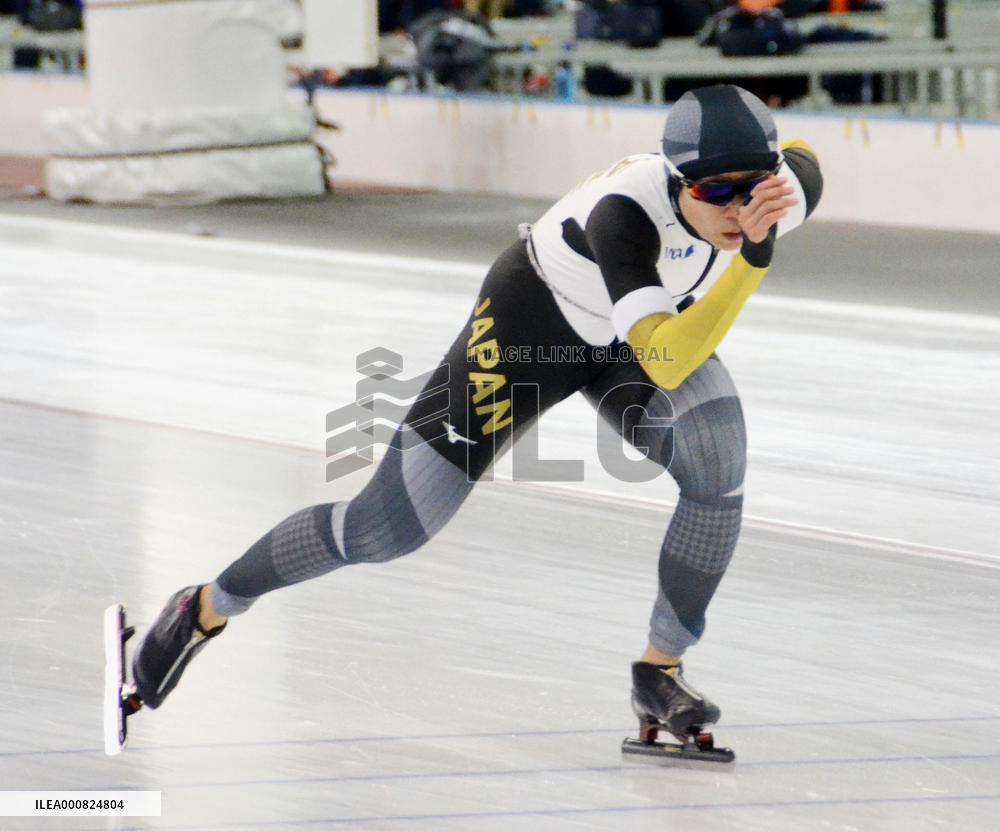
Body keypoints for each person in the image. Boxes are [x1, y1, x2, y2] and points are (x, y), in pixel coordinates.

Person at [129, 84, 822, 751]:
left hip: (630, 340)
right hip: (533, 330)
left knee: (717, 454)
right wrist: (753, 259)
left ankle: (659, 670)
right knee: (384, 528)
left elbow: (805, 156)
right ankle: (207, 605)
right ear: (676, 180)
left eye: (752, 187)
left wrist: (766, 203)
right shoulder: (624, 215)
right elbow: (666, 359)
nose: (739, 209)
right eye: (715, 192)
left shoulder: (779, 195)